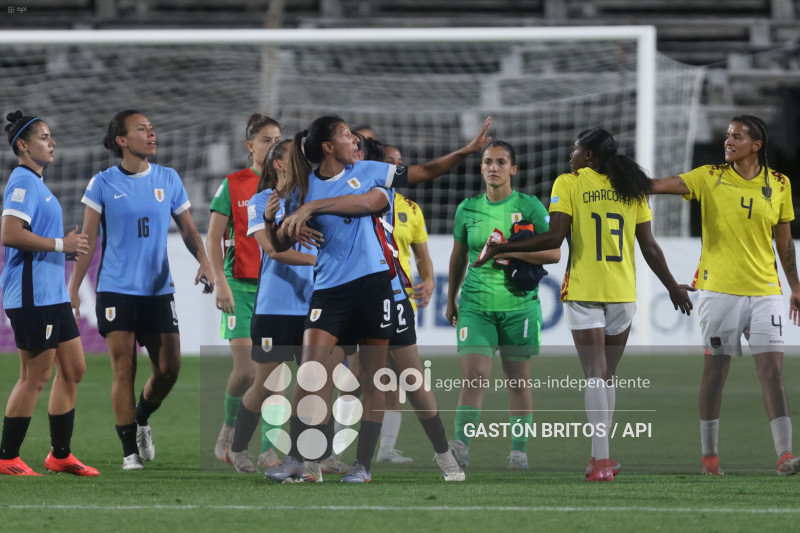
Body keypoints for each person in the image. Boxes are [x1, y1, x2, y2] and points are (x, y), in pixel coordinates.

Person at [264, 114, 490, 483]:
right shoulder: (301, 190)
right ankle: (299, 457)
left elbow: (386, 194)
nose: (355, 140)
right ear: (327, 146)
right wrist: (275, 220)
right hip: (330, 291)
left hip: (377, 287)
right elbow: (279, 244)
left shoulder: (370, 172)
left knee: (380, 380)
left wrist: (466, 151)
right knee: (310, 371)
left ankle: (375, 464)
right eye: (346, 135)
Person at [475, 130, 693, 480]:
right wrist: (672, 287)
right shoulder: (630, 186)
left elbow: (554, 238)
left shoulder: (570, 182)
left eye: (575, 151)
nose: (570, 157)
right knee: (607, 375)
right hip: (623, 292)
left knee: (593, 374)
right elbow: (649, 246)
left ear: (589, 155)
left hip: (584, 288)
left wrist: (502, 249)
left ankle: (602, 462)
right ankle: (600, 459)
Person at [651, 115, 800, 476]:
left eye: (737, 136)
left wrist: (795, 286)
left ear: (756, 145)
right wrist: (620, 176)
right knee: (716, 372)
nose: (728, 142)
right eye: (727, 136)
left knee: (772, 373)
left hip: (766, 291)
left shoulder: (780, 184)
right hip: (719, 292)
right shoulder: (709, 176)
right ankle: (710, 457)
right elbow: (657, 185)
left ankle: (784, 455)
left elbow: (784, 244)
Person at [69, 109, 215, 470]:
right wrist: (73, 287)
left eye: (152, 128)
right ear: (122, 140)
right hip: (117, 289)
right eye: (142, 129)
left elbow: (189, 230)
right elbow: (87, 240)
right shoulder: (102, 183)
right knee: (124, 368)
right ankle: (128, 453)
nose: (151, 133)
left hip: (158, 290)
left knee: (169, 368)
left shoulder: (168, 177)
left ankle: (142, 417)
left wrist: (205, 260)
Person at [446, 140, 561, 471]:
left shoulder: (529, 207)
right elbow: (457, 257)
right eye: (487, 162)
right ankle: (461, 446)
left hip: (519, 306)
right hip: (474, 305)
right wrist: (451, 298)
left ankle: (518, 451)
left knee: (517, 380)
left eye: (500, 162)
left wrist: (507, 251)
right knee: (474, 376)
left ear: (514, 169)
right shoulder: (467, 208)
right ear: (481, 168)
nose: (493, 167)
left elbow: (553, 253)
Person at [0, 111, 98, 476]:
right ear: (23, 146)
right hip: (32, 297)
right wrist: (61, 244)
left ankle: (59, 455)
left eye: (51, 135)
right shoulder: (22, 184)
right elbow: (9, 234)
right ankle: (7, 456)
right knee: (35, 376)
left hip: (51, 295)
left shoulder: (38, 184)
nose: (52, 141)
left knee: (73, 369)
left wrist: (63, 249)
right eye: (44, 137)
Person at [221, 139, 320, 473]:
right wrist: (319, 262)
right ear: (278, 164)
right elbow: (273, 250)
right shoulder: (262, 201)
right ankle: (237, 449)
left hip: (314, 306)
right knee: (264, 386)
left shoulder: (313, 200)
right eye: (296, 157)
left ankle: (308, 456)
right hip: (275, 307)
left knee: (314, 384)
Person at [206, 114, 282, 468]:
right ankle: (230, 428)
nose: (273, 146)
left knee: (273, 373)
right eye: (266, 140)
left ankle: (269, 448)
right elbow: (212, 237)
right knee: (247, 373)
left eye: (278, 140)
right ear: (250, 146)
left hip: (277, 288)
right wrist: (219, 280)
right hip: (239, 284)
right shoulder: (233, 183)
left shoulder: (290, 186)